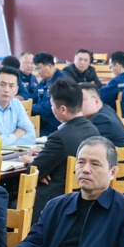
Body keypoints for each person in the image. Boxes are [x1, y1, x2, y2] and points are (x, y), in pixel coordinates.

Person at [20, 78, 99, 220]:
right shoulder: (93, 129)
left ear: (63, 109)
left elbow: (33, 170)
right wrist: (44, 163)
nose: (51, 108)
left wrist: (30, 161)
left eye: (52, 105)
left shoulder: (59, 137)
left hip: (55, 201)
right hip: (83, 196)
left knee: (10, 202)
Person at [81, 84, 124, 148]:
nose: (76, 104)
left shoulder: (102, 119)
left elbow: (85, 145)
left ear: (96, 101)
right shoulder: (106, 109)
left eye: (80, 100)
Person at [32, 52, 65, 135]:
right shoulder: (43, 82)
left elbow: (52, 105)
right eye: (36, 70)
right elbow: (33, 98)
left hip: (55, 125)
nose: (38, 72)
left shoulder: (62, 81)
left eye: (39, 69)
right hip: (42, 122)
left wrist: (32, 108)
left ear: (49, 66)